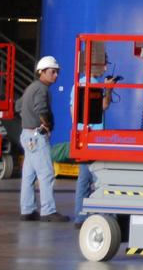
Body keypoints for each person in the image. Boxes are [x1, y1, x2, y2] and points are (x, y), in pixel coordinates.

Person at [18, 56, 69, 222]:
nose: (56, 75)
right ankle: (48, 211)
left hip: (27, 135)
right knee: (46, 173)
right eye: (52, 72)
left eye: (57, 72)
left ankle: (27, 210)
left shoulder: (31, 88)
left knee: (29, 175)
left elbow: (18, 106)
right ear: (41, 72)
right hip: (37, 136)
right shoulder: (41, 89)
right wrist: (47, 126)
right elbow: (42, 110)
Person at [72, 60, 117, 228]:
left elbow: (73, 111)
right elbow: (103, 105)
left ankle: (80, 217)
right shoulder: (92, 85)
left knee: (84, 180)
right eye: (103, 64)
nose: (105, 67)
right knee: (102, 179)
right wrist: (109, 89)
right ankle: (104, 215)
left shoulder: (79, 84)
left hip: (84, 137)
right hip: (93, 139)